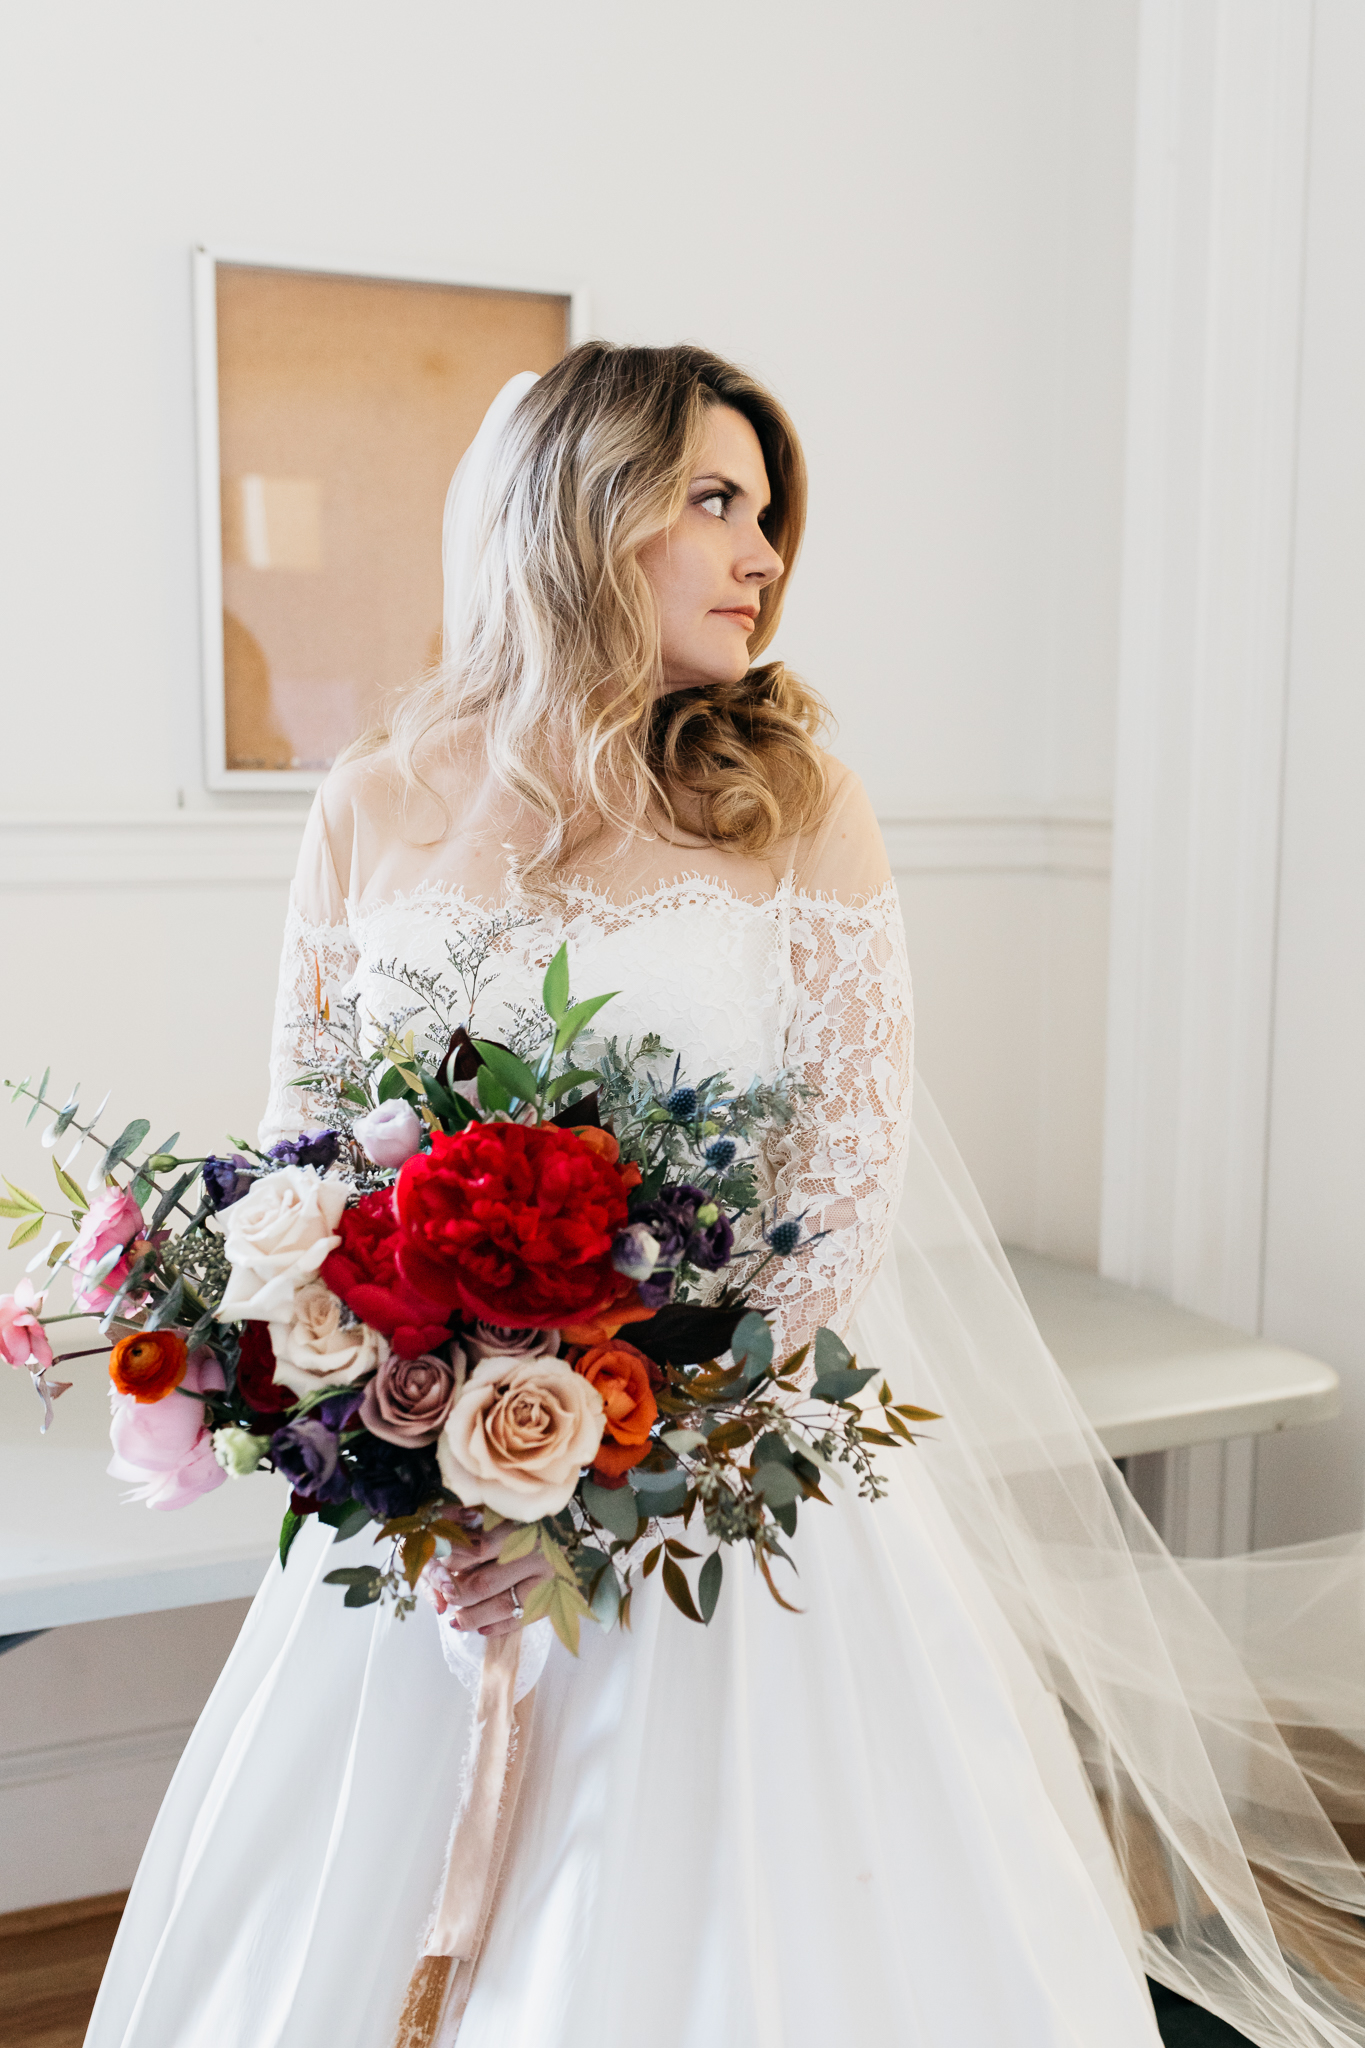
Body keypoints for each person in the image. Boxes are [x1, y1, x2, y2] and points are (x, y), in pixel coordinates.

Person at [87, 345, 1365, 2048]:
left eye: (766, 515)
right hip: (426, 1533)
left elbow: (837, 1194)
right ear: (581, 512)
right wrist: (427, 1469)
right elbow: (303, 1167)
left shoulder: (793, 802)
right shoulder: (372, 799)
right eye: (712, 501)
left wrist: (583, 1461)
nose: (762, 553)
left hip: (717, 1505)